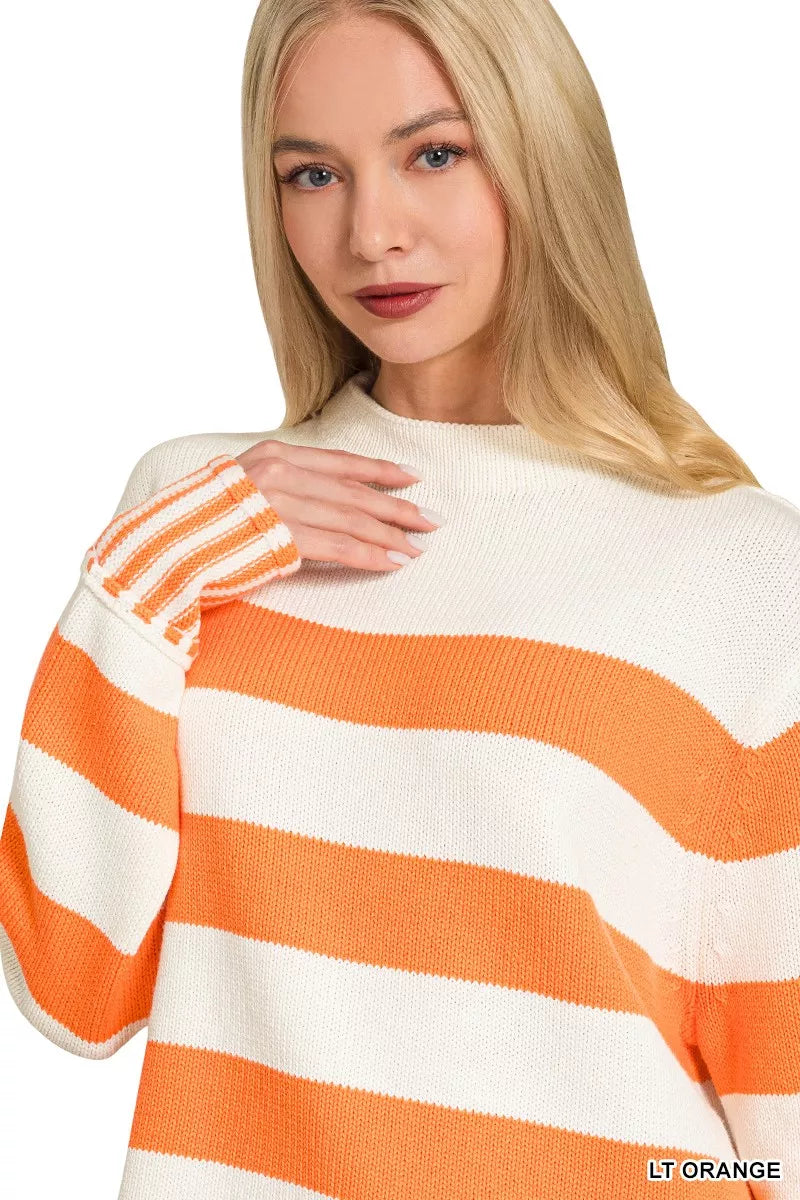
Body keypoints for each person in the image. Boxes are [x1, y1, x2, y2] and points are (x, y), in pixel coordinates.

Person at [1, 2, 798, 1197]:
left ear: (542, 152)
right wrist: (146, 578)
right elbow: (72, 992)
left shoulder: (744, 576)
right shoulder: (196, 519)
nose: (370, 233)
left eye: (433, 153)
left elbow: (775, 1117)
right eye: (312, 174)